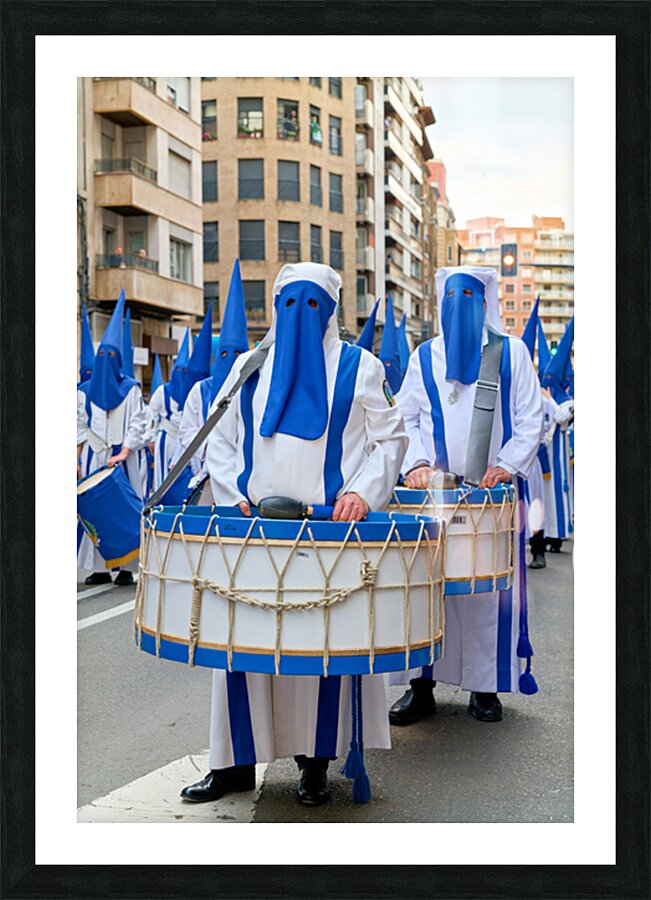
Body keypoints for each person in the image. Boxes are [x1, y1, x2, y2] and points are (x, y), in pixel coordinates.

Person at [180, 262, 408, 807]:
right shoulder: (249, 366)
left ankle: (316, 765)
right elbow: (222, 436)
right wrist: (233, 490)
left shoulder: (361, 367)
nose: (299, 316)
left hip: (330, 534)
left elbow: (391, 440)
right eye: (289, 304)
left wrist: (363, 492)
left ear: (329, 312)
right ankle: (232, 765)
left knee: (321, 657)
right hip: (254, 532)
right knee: (241, 650)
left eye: (312, 305)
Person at [388, 266, 543, 726]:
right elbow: (405, 418)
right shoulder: (424, 356)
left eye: (470, 296)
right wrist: (415, 464)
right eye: (452, 296)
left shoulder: (510, 353)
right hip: (432, 497)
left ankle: (484, 686)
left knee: (484, 593)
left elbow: (530, 417)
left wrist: (507, 465)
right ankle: (421, 687)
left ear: (485, 301)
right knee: (426, 587)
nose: (461, 304)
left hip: (488, 499)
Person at [77, 290, 148, 585]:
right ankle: (100, 567)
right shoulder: (83, 391)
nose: (106, 361)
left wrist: (125, 451)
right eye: (101, 355)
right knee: (98, 510)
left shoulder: (131, 389)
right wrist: (76, 459)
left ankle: (127, 567)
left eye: (111, 357)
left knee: (122, 511)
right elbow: (78, 426)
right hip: (94, 456)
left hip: (123, 459)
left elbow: (139, 422)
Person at [171, 260, 249, 493]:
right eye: (225, 354)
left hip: (248, 475)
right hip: (207, 471)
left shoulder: (257, 387)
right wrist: (216, 452)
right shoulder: (201, 390)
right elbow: (187, 430)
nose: (232, 359)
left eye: (239, 354)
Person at [146, 329, 190, 493]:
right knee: (163, 476)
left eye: (185, 371)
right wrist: (151, 437)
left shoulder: (193, 392)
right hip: (166, 438)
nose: (181, 375)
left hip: (185, 441)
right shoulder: (162, 391)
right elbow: (151, 414)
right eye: (178, 370)